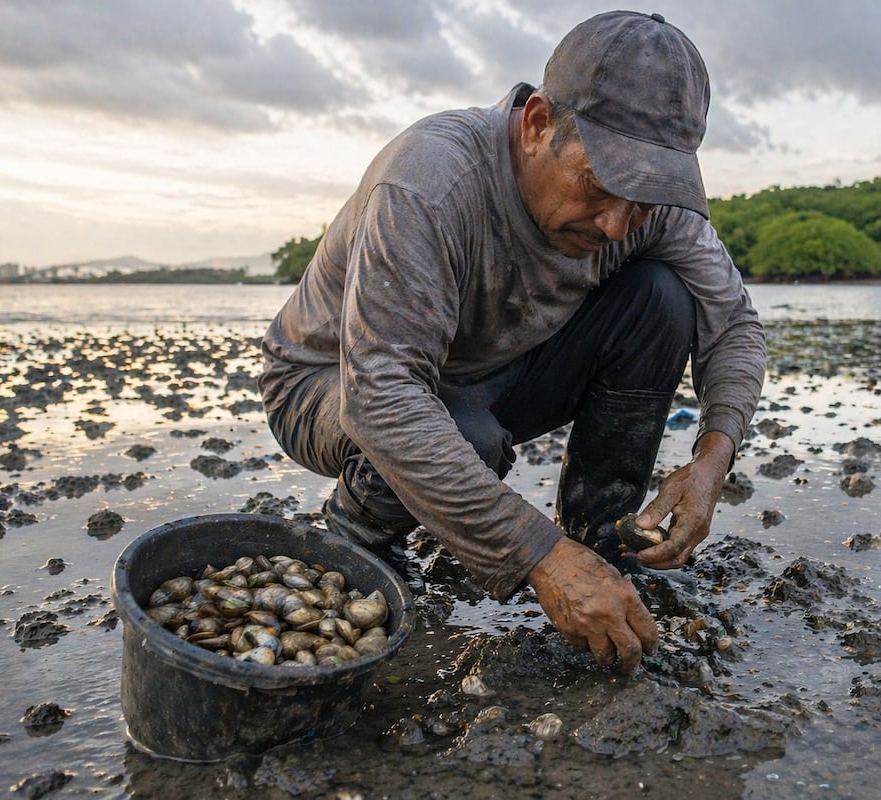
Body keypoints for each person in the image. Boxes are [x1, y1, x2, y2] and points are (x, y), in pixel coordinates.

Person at [260, 10, 767, 673]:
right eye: (600, 185)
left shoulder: (648, 211)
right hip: (330, 384)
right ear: (536, 126)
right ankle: (360, 540)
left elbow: (733, 324)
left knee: (662, 300)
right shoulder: (431, 180)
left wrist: (713, 457)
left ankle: (604, 543)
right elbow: (382, 396)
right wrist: (537, 554)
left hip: (488, 373)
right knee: (460, 434)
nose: (618, 223)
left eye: (642, 201)